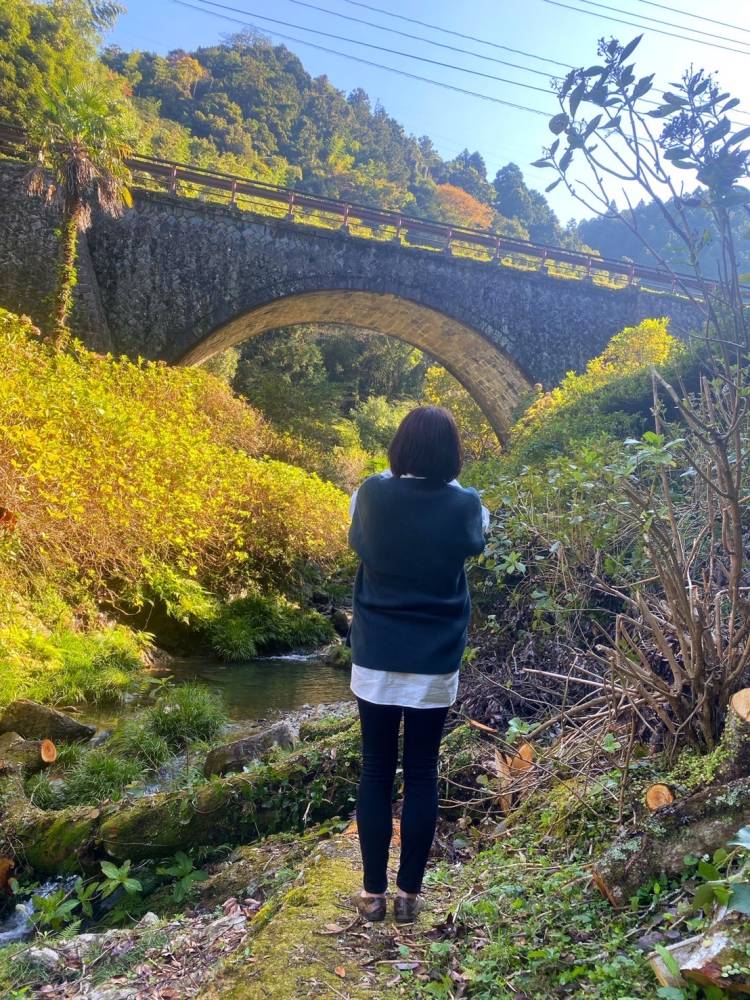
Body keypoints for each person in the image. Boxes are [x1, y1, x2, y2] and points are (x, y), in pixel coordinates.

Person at [347, 405, 489, 924]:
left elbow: (357, 529)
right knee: (423, 771)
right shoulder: (467, 504)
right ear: (452, 453)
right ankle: (409, 896)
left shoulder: (370, 495)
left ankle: (372, 895)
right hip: (435, 657)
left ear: (400, 447)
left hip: (377, 654)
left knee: (376, 769)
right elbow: (478, 534)